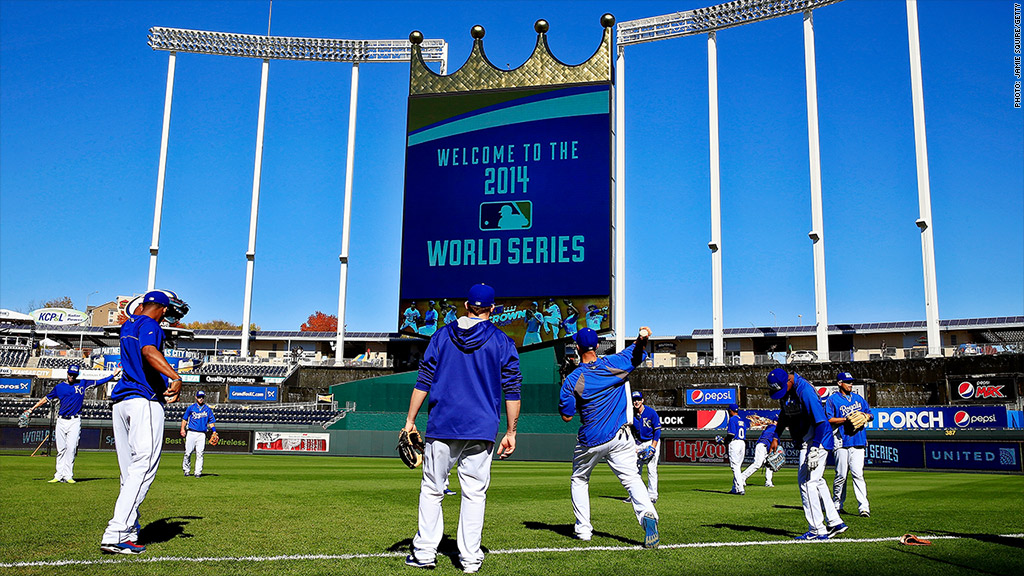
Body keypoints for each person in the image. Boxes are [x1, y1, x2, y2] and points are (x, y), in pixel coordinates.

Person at [403, 283, 522, 573]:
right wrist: (511, 432)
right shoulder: (502, 341)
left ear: (466, 306)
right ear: (492, 309)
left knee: (432, 490)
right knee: (474, 493)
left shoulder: (442, 335)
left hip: (442, 424)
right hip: (481, 428)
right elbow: (513, 389)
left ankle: (424, 553)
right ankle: (469, 559)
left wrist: (409, 420)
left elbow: (424, 380)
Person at [100, 290, 185, 555]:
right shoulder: (150, 324)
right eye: (167, 310)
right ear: (160, 308)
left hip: (122, 401)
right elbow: (148, 351)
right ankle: (116, 532)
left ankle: (130, 529)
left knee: (130, 472)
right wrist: (175, 376)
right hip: (143, 400)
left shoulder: (129, 324)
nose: (168, 315)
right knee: (144, 466)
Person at [559, 326, 660, 548]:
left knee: (579, 479)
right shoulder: (614, 363)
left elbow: (566, 416)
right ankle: (647, 516)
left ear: (577, 348)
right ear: (596, 346)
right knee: (632, 478)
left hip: (592, 439)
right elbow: (637, 352)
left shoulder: (573, 379)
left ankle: (584, 530)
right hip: (620, 436)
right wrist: (641, 338)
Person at [766, 368, 847, 540]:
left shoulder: (805, 391)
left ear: (789, 381)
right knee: (817, 481)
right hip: (807, 440)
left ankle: (817, 529)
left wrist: (815, 449)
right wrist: (775, 436)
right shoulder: (787, 391)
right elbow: (784, 415)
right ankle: (835, 521)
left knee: (808, 483)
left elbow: (821, 422)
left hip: (818, 439)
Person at [24, 364, 119, 483]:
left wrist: (112, 375)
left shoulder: (82, 383)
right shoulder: (59, 387)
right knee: (61, 449)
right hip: (61, 420)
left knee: (71, 448)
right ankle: (58, 475)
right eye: (70, 374)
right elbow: (46, 398)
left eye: (74, 375)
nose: (72, 376)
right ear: (67, 373)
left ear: (77, 374)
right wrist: (32, 408)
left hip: (74, 420)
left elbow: (99, 382)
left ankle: (68, 475)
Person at [826, 371, 873, 517]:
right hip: (841, 441)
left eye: (852, 382)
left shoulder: (859, 399)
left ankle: (864, 508)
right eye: (848, 382)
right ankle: (837, 504)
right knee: (841, 475)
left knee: (858, 474)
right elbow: (829, 419)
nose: (851, 384)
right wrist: (845, 420)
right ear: (840, 383)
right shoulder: (832, 400)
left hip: (858, 440)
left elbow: (870, 414)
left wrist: (866, 416)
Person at [629, 390, 661, 503]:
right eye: (634, 400)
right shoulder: (630, 413)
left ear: (642, 400)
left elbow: (657, 431)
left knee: (651, 469)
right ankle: (635, 495)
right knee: (634, 470)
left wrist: (653, 446)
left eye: (638, 399)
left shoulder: (651, 413)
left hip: (651, 441)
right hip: (639, 443)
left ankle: (652, 495)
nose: (636, 402)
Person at [181, 390, 217, 478]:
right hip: (191, 432)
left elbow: (211, 422)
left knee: (200, 453)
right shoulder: (191, 408)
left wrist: (214, 431)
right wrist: (182, 429)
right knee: (188, 453)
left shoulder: (208, 409)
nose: (201, 399)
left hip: (202, 434)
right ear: (196, 397)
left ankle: (198, 472)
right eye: (199, 397)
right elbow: (184, 419)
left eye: (202, 397)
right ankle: (186, 470)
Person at [740, 420, 779, 488]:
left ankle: (768, 482)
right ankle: (742, 477)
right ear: (775, 422)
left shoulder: (770, 428)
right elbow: (773, 441)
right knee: (757, 464)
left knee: (769, 464)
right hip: (762, 446)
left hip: (764, 446)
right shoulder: (773, 428)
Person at [722, 403, 747, 494]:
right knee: (738, 466)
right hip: (742, 442)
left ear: (730, 411)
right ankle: (735, 488)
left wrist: (723, 441)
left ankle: (740, 489)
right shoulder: (742, 420)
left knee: (735, 466)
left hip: (735, 443)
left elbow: (731, 435)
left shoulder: (732, 419)